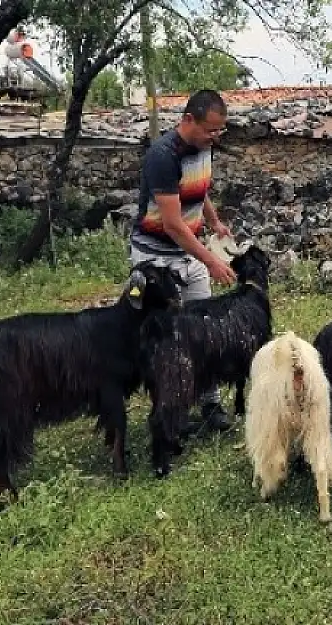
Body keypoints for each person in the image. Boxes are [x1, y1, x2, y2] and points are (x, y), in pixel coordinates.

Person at [129, 89, 237, 434]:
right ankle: (168, 413)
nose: (215, 137)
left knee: (204, 328)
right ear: (188, 120)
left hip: (188, 255)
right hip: (156, 260)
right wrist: (211, 261)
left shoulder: (203, 148)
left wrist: (214, 221)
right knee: (164, 336)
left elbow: (198, 190)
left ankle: (210, 403)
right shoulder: (162, 156)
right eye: (210, 130)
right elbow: (173, 225)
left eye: (221, 131)